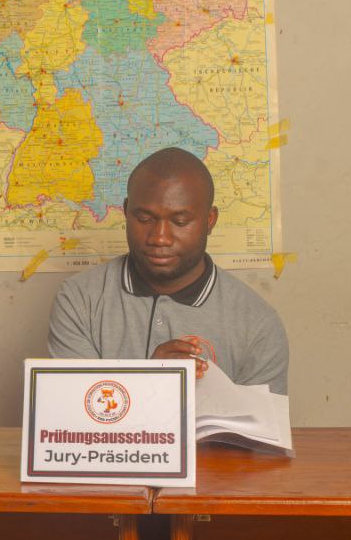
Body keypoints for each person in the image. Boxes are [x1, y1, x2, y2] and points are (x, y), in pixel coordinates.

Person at [48, 147, 289, 393]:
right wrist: (151, 379)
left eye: (180, 222)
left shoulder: (258, 324)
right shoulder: (80, 300)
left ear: (210, 220)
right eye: (145, 219)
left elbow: (258, 419)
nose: (160, 238)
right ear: (126, 211)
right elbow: (74, 410)